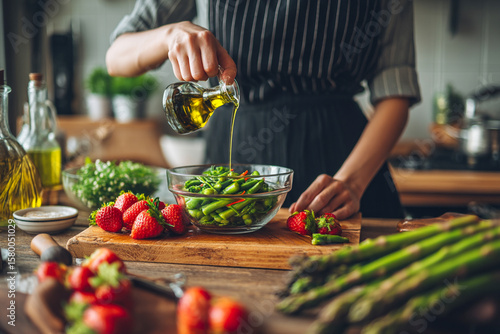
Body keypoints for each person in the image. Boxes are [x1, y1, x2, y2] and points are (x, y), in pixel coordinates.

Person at [106, 0, 421, 219]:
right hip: (235, 147)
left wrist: (352, 181)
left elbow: (396, 93)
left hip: (344, 161)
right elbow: (116, 56)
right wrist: (168, 35)